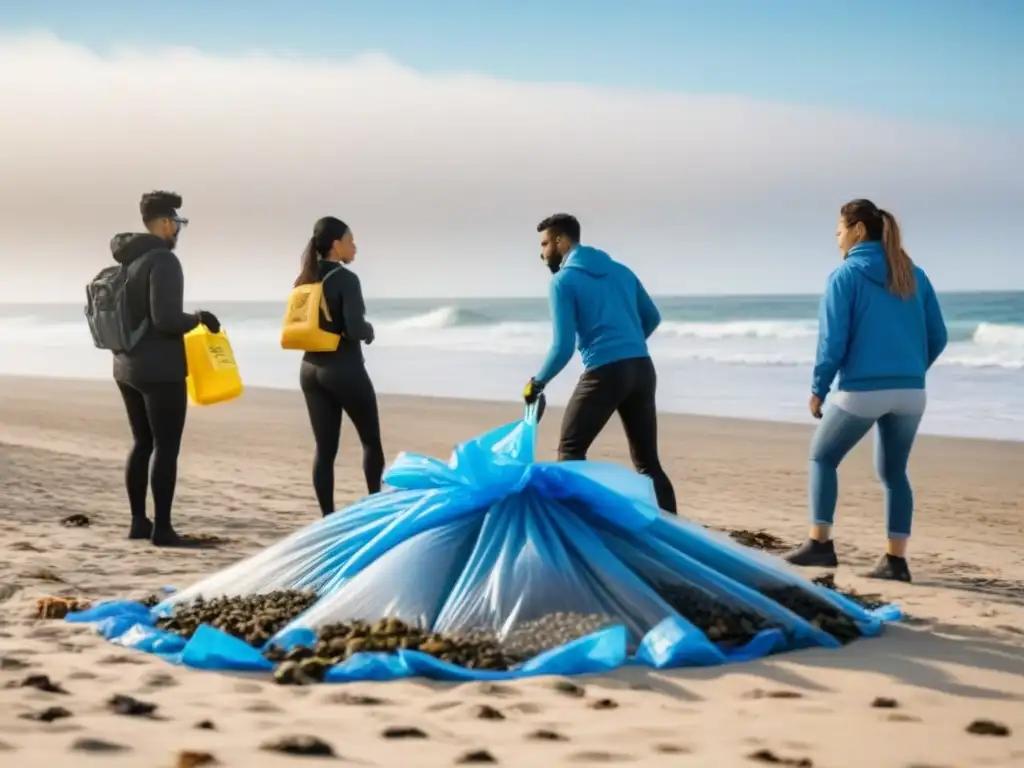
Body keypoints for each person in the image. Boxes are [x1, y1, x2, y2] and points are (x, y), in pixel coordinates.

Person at [785, 199, 948, 582]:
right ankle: (896, 561)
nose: (836, 236)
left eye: (839, 228)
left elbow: (832, 342)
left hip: (862, 391)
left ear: (858, 229)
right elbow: (938, 336)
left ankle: (820, 546)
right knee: (894, 472)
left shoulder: (845, 276)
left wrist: (818, 389)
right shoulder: (914, 273)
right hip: (911, 392)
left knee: (822, 458)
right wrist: (909, 369)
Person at [522, 213, 677, 514]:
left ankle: (578, 536)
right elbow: (652, 317)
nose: (541, 254)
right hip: (642, 369)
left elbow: (562, 346)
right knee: (648, 462)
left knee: (570, 452)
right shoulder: (621, 272)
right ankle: (678, 535)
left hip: (605, 373)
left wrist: (537, 383)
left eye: (544, 244)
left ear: (560, 241)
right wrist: (629, 344)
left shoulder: (563, 282)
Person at [102, 191, 221, 547]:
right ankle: (164, 530)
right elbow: (166, 319)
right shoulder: (164, 261)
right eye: (179, 224)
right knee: (166, 447)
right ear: (166, 223)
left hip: (126, 367)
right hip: (160, 370)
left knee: (142, 443)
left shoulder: (129, 261)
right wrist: (200, 318)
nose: (179, 231)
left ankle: (140, 522)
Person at [295, 216, 385, 515]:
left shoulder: (304, 278)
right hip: (343, 369)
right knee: (370, 441)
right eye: (350, 240)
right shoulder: (347, 279)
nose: (354, 246)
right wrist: (369, 331)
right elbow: (354, 328)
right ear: (336, 245)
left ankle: (327, 517)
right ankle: (374, 506)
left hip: (310, 370)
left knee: (325, 449)